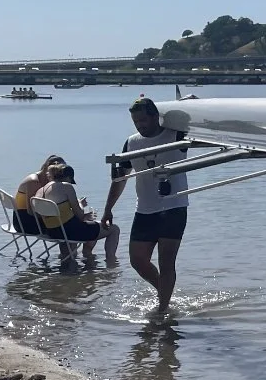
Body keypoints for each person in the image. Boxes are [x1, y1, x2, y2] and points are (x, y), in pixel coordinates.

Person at [101, 96, 190, 313]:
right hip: (145, 209)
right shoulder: (132, 142)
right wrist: (108, 209)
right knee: (137, 260)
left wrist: (188, 104)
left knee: (166, 261)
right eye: (135, 122)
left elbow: (199, 126)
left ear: (155, 117)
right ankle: (165, 292)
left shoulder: (175, 134)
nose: (140, 125)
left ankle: (162, 310)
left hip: (174, 207)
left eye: (143, 121)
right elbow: (120, 178)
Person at [34, 164, 121, 261]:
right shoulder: (66, 187)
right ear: (67, 177)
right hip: (70, 232)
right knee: (114, 229)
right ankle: (111, 262)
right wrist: (80, 204)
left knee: (93, 225)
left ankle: (85, 258)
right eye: (70, 180)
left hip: (52, 231)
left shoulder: (40, 191)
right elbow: (80, 216)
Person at [14, 153, 64, 234]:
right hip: (24, 222)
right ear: (47, 169)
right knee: (66, 228)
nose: (60, 175)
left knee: (69, 224)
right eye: (57, 171)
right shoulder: (33, 181)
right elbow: (31, 211)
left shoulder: (49, 181)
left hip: (32, 218)